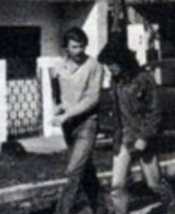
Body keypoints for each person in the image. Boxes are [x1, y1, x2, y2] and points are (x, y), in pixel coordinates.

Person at [98, 37, 175, 214]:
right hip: (124, 138)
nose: (109, 69)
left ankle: (174, 207)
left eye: (111, 64)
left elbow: (155, 111)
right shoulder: (116, 81)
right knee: (117, 185)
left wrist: (145, 137)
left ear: (122, 60)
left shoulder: (144, 79)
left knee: (154, 183)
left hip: (143, 138)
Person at [51, 27, 107, 214]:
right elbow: (57, 95)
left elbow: (93, 98)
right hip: (69, 127)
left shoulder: (94, 66)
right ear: (66, 48)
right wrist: (58, 107)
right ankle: (101, 209)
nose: (79, 51)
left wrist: (68, 114)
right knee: (86, 172)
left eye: (82, 47)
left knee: (73, 171)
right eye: (74, 47)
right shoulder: (59, 67)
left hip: (87, 123)